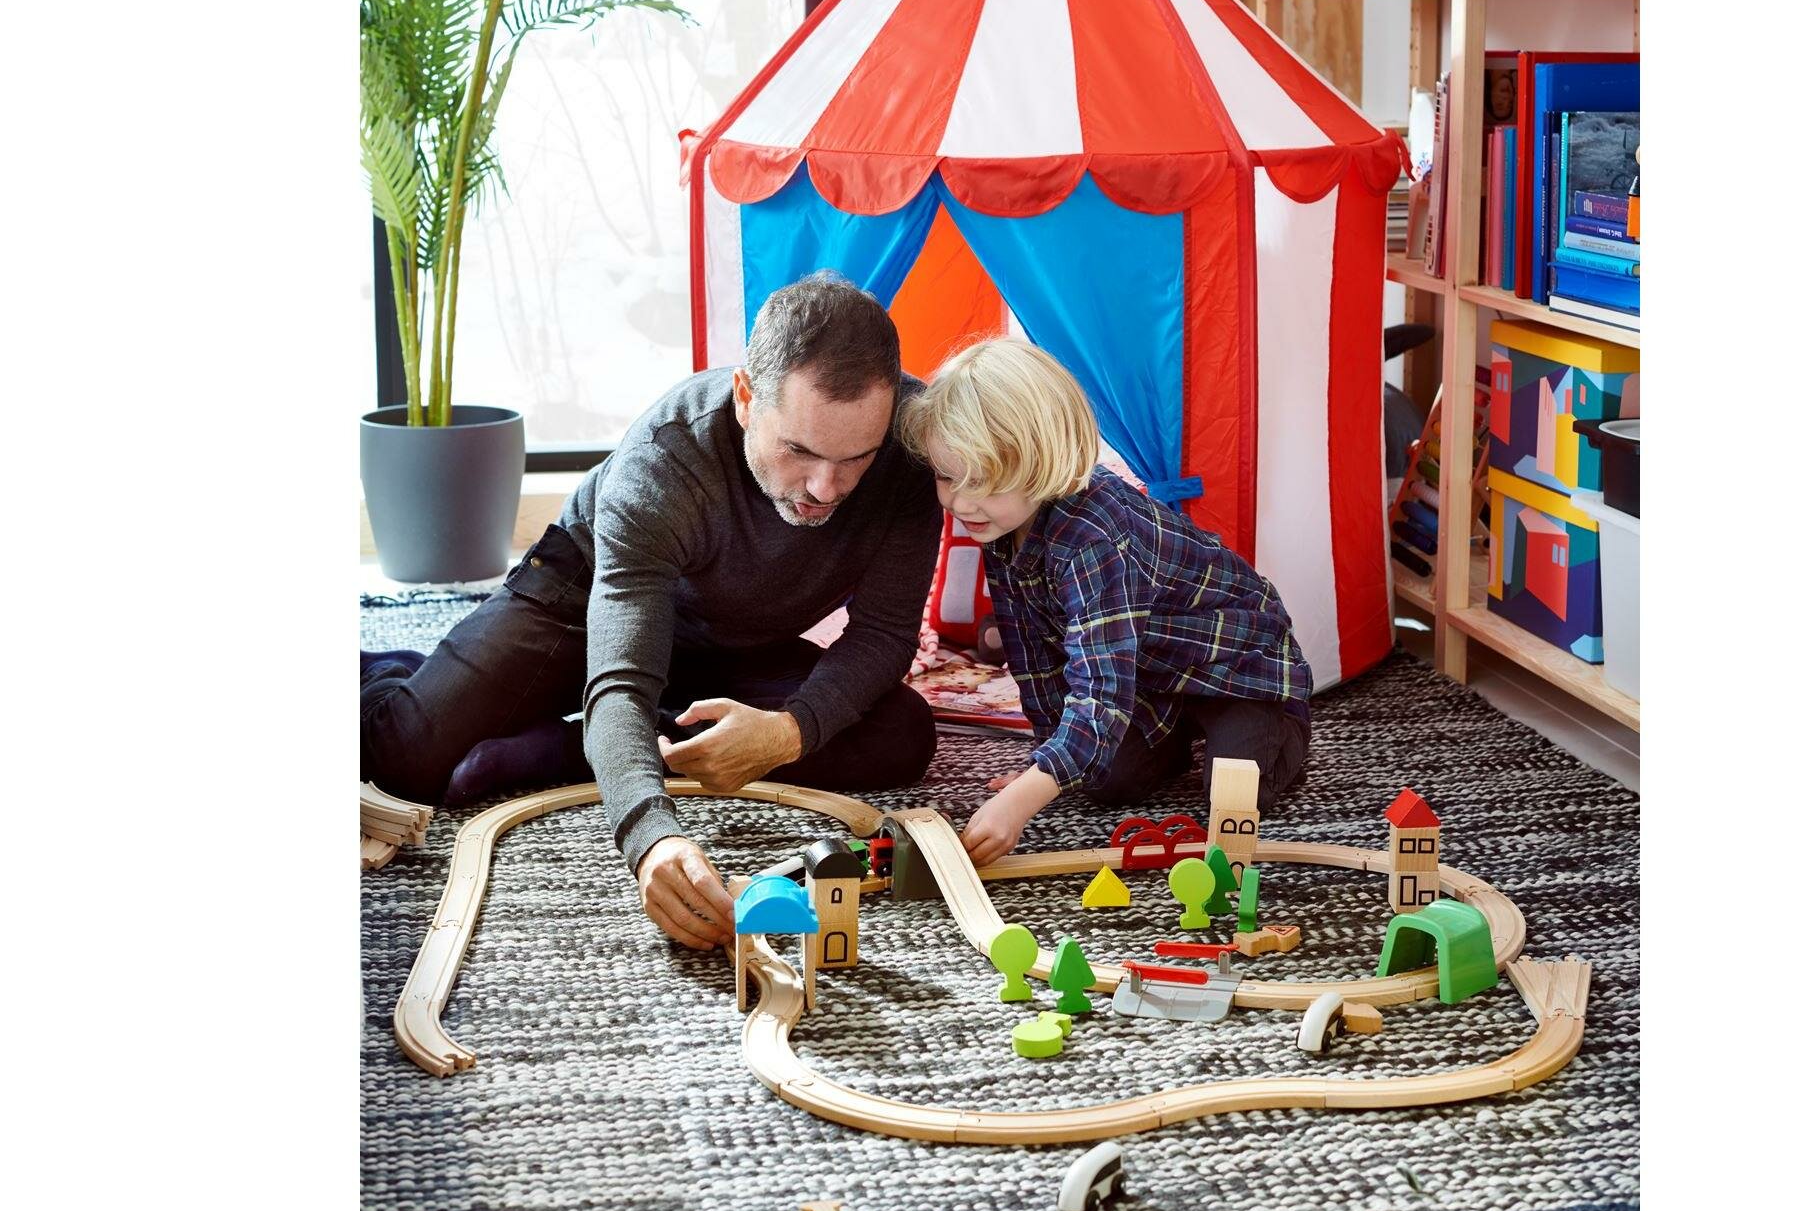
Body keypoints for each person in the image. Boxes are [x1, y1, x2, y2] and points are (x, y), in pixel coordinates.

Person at [360, 273, 943, 949]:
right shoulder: (664, 459)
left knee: (901, 734)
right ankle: (400, 672)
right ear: (746, 398)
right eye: (800, 451)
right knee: (405, 760)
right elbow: (623, 676)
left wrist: (787, 733)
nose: (825, 488)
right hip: (582, 605)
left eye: (856, 459)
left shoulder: (912, 442)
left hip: (737, 640)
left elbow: (884, 634)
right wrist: (650, 835)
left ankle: (574, 747)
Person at [898, 338, 1312, 865]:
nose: (960, 501)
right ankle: (1175, 733)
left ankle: (1282, 726)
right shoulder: (1000, 522)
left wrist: (1024, 799)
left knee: (1234, 792)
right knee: (1101, 779)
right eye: (946, 476)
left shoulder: (1094, 537)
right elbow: (1032, 655)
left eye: (983, 481)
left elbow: (1099, 695)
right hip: (1151, 676)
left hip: (1238, 668)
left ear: (1041, 462)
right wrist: (1042, 766)